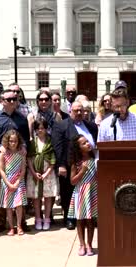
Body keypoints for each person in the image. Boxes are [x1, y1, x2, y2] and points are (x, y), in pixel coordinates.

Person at [0, 88, 30, 233]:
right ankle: (0, 222)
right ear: (2, 101)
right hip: (0, 157)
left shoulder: (22, 118)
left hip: (17, 158)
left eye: (15, 99)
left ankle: (21, 222)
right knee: (0, 188)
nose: (12, 102)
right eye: (9, 99)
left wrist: (24, 147)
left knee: (19, 188)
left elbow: (26, 138)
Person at [53, 101, 98, 230]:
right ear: (70, 111)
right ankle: (69, 218)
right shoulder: (61, 126)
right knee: (68, 193)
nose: (79, 113)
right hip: (69, 165)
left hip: (89, 164)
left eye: (81, 110)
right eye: (76, 110)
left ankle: (90, 217)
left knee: (89, 192)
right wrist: (60, 165)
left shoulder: (91, 126)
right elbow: (58, 147)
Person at [68, 135, 97, 256]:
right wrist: (82, 171)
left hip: (92, 192)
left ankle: (90, 244)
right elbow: (73, 181)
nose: (87, 144)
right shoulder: (77, 163)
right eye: (84, 143)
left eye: (87, 142)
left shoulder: (93, 158)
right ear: (78, 148)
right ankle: (82, 244)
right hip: (81, 192)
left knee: (90, 220)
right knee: (80, 220)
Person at [27, 119, 58, 230]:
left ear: (46, 129)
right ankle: (38, 218)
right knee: (36, 197)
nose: (40, 130)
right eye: (38, 128)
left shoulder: (50, 141)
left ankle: (47, 218)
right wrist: (33, 172)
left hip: (48, 173)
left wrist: (46, 173)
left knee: (48, 196)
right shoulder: (32, 142)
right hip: (34, 173)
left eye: (42, 128)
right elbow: (29, 158)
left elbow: (53, 159)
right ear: (35, 130)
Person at [0, 130, 28, 236]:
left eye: (15, 141)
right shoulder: (3, 154)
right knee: (9, 206)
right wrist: (8, 183)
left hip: (19, 181)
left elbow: (23, 169)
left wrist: (17, 182)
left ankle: (19, 226)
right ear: (7, 141)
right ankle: (11, 227)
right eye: (10, 141)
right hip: (7, 182)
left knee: (19, 205)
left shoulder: (21, 153)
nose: (13, 143)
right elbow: (1, 169)